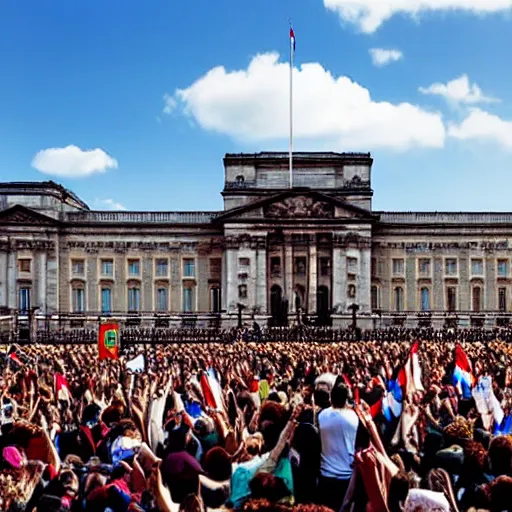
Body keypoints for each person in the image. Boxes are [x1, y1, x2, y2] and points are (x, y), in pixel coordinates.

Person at [317, 383, 359, 511]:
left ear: (331, 399)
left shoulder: (322, 416)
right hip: (346, 476)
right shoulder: (353, 417)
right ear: (346, 400)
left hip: (325, 475)